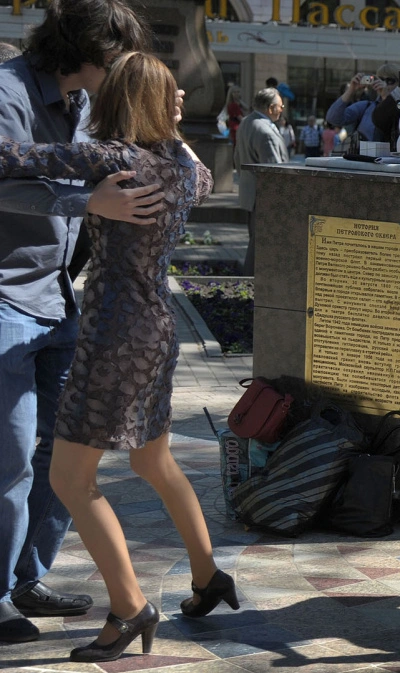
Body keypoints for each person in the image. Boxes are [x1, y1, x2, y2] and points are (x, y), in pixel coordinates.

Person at [0, 51, 227, 663]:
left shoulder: (115, 157)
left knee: (69, 478)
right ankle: (209, 576)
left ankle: (129, 608)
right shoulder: (183, 164)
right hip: (159, 327)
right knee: (154, 459)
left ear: (116, 99)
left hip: (114, 333)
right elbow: (199, 171)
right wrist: (173, 124)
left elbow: (12, 157)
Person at [0, 0, 168, 644]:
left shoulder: (79, 107)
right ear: (90, 53)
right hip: (8, 300)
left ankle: (26, 578)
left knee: (63, 458)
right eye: (119, 59)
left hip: (56, 300)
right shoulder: (9, 92)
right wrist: (87, 198)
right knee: (10, 459)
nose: (125, 72)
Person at [233, 87, 289, 275]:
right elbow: (274, 173)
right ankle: (254, 282)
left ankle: (252, 281)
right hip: (265, 197)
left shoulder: (246, 123)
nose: (282, 110)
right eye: (280, 106)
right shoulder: (266, 131)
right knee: (262, 243)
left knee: (256, 240)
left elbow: (236, 158)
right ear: (271, 108)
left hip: (250, 193)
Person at [325, 65, 400, 144]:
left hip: (392, 154)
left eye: (390, 81)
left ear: (399, 84)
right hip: (366, 154)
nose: (384, 84)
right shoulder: (366, 107)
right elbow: (333, 118)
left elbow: (392, 122)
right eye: (380, 79)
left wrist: (387, 97)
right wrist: (351, 89)